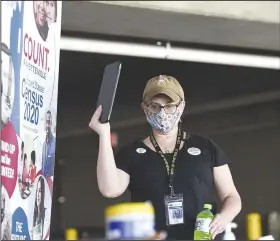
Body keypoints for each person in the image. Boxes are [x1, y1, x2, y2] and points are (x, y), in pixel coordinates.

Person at [89, 75, 242, 240]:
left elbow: (231, 196)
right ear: (144, 108)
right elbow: (110, 189)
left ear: (181, 106)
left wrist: (224, 218)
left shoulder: (206, 147)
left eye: (169, 106)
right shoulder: (132, 153)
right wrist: (104, 134)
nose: (162, 113)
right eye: (155, 106)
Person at [41, 110, 56, 177]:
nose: (47, 125)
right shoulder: (44, 145)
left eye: (49, 122)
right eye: (46, 122)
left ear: (51, 123)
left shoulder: (54, 143)